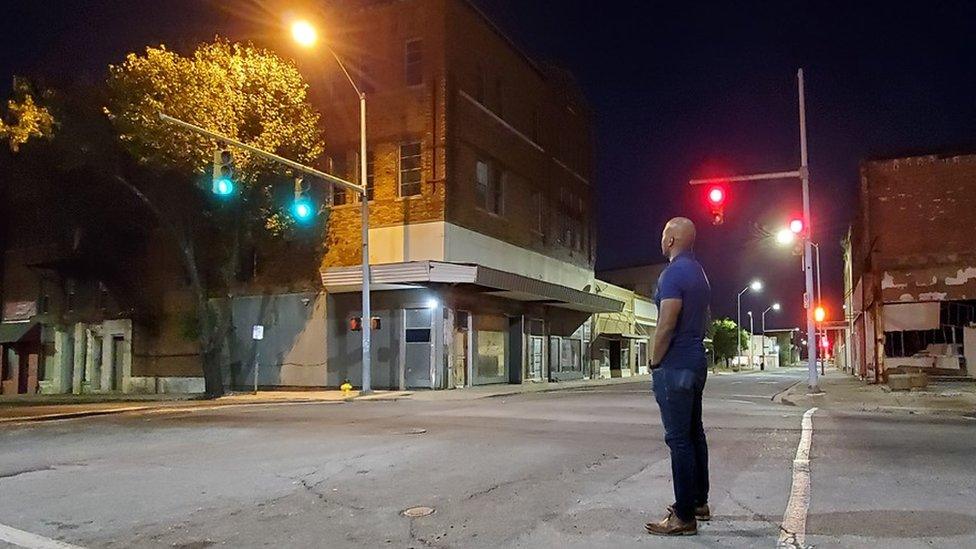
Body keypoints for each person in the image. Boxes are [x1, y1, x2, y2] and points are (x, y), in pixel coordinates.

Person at [645, 217, 712, 537]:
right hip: (697, 362)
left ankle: (684, 515)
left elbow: (667, 322)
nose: (661, 239)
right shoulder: (699, 273)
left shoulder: (673, 274)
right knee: (694, 433)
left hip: (676, 366)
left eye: (663, 233)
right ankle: (699, 501)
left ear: (671, 239)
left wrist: (654, 361)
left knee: (679, 440)